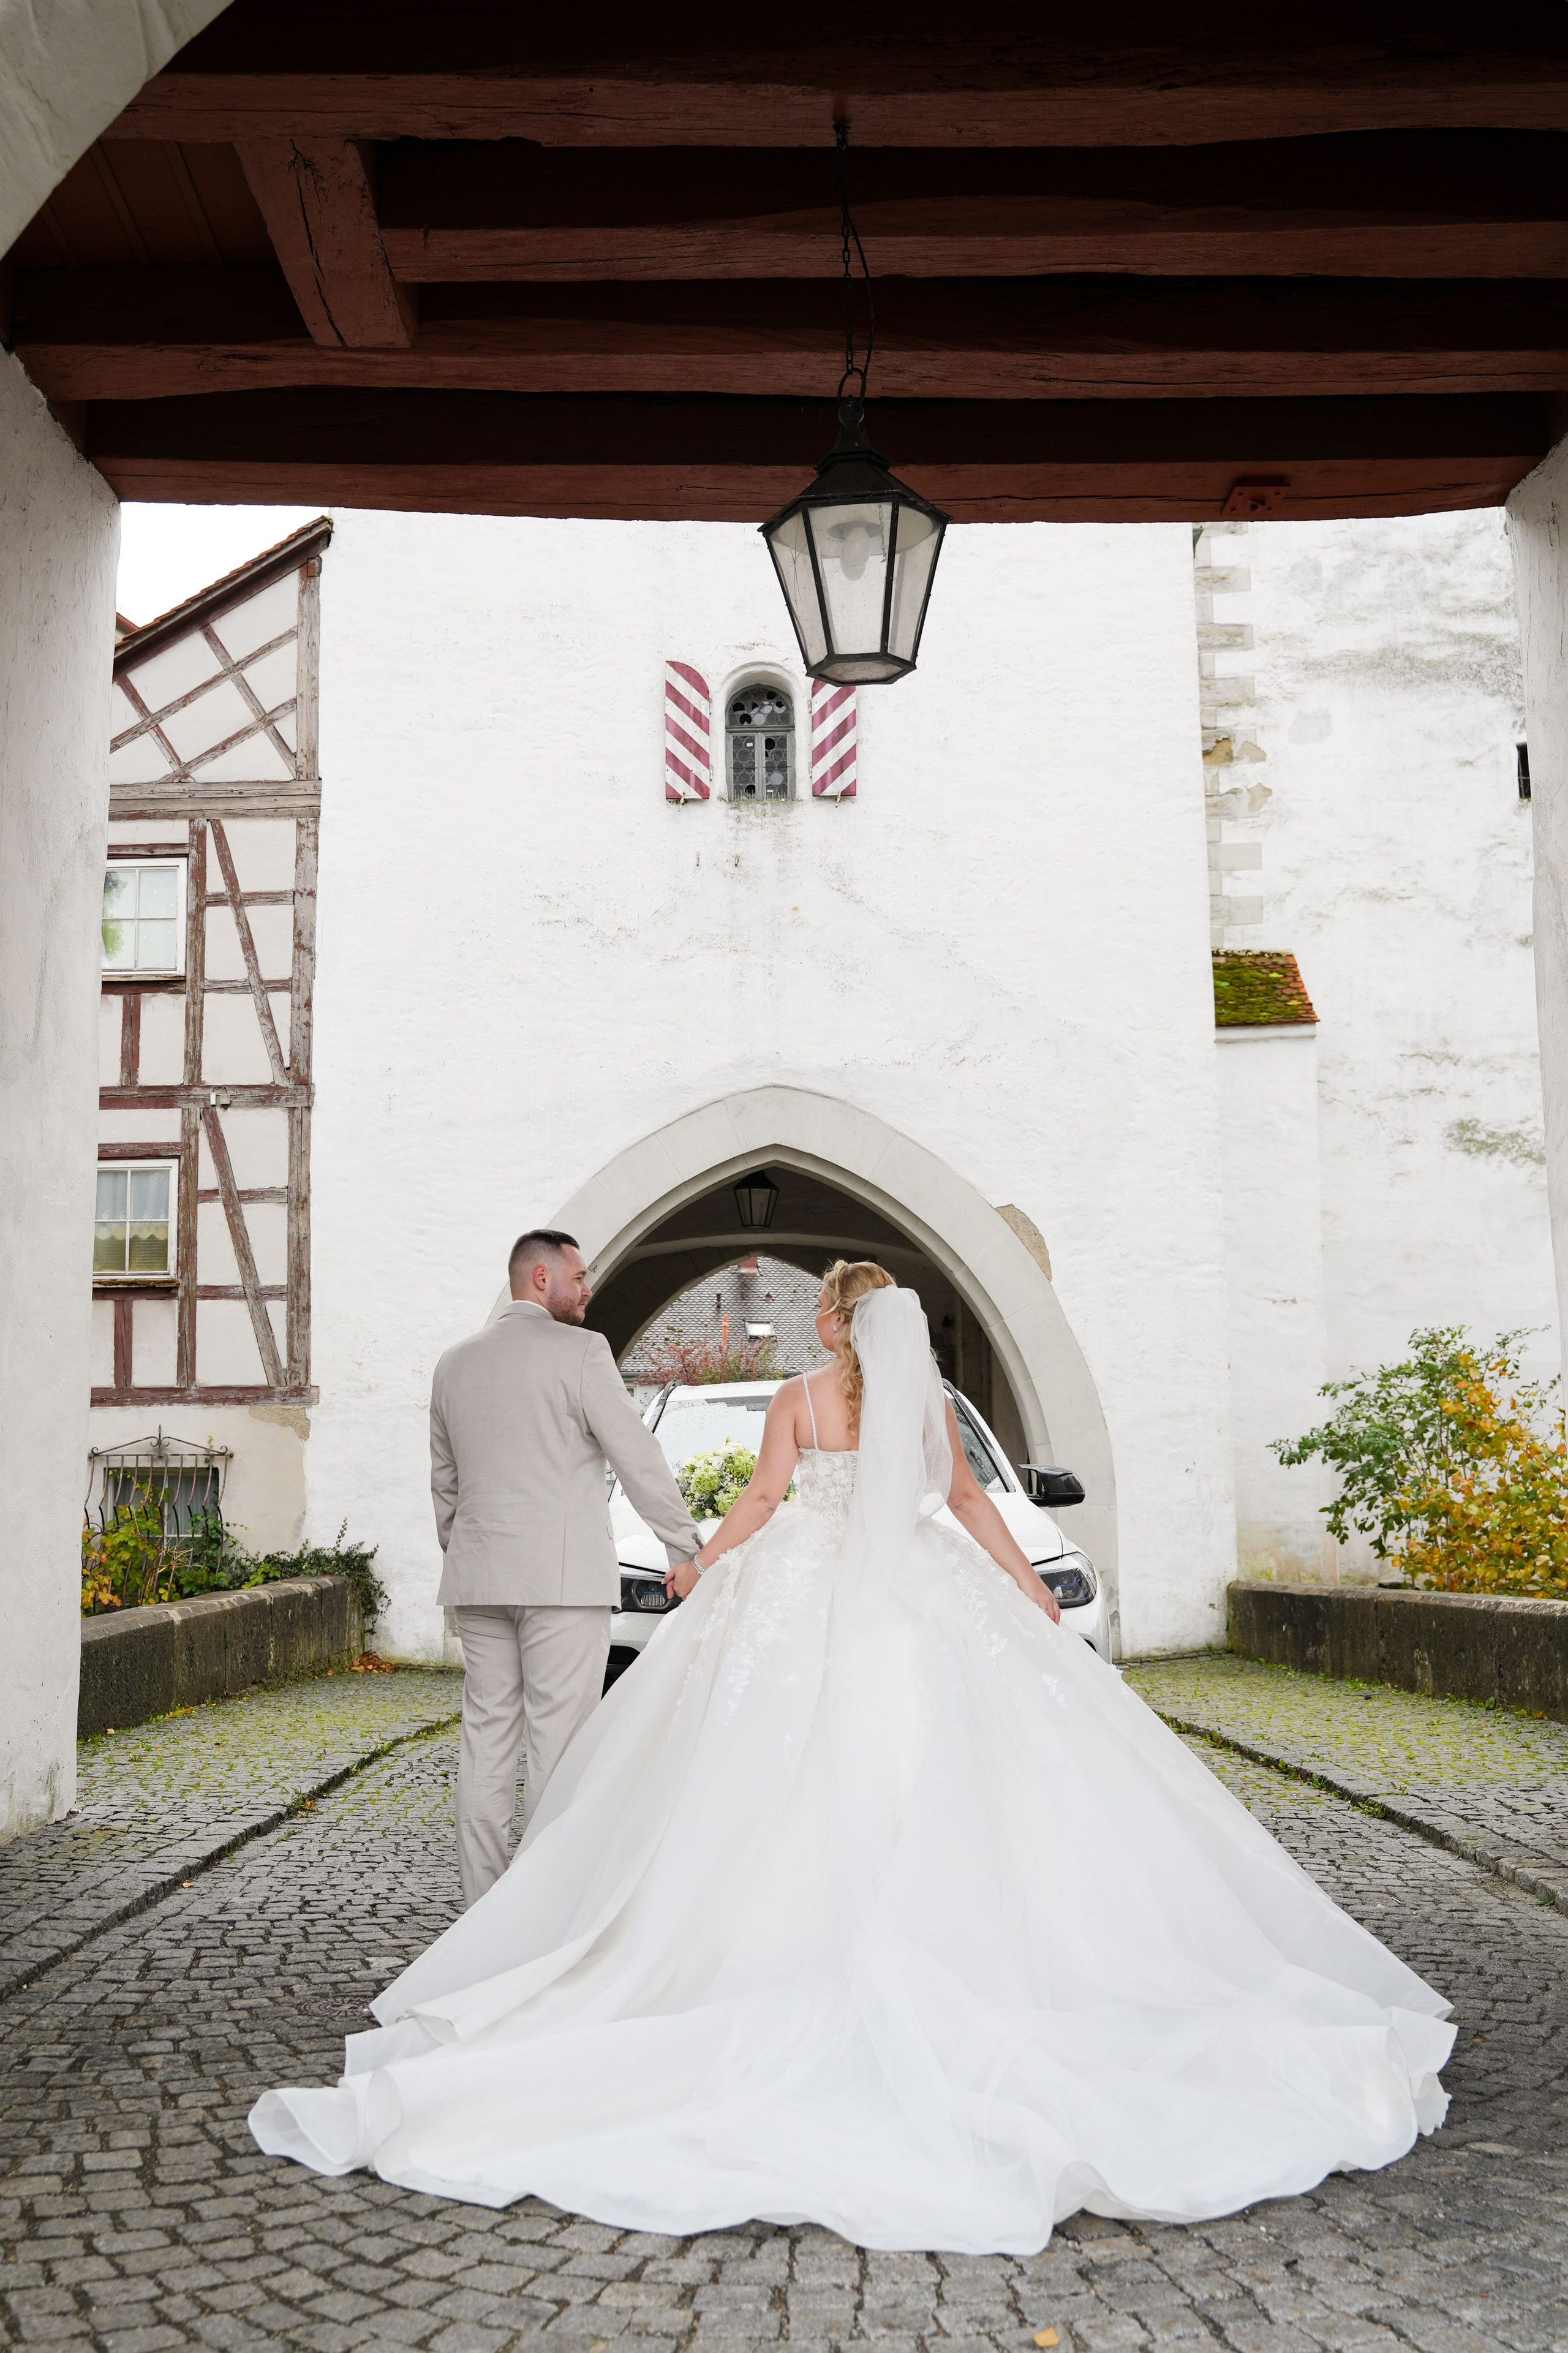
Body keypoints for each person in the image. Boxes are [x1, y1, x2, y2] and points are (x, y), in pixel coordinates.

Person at [252, 1261, 1453, 2254]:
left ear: (830, 1322)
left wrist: (702, 1565)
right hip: (921, 1604)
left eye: (826, 1313)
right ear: (901, 1328)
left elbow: (768, 1501)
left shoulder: (803, 1401)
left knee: (765, 1771)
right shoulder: (928, 1413)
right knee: (951, 1763)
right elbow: (973, 1509)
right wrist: (1028, 1587)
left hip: (807, 1601)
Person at [429, 1228, 701, 1906]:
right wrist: (683, 1547)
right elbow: (636, 1455)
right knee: (561, 1741)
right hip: (561, 1580)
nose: (588, 1290)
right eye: (578, 1277)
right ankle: (539, 1912)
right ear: (541, 1278)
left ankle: (479, 1909)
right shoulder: (583, 1352)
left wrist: (469, 1553)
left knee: (486, 1740)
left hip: (479, 1574)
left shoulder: (453, 1363)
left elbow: (445, 1483)